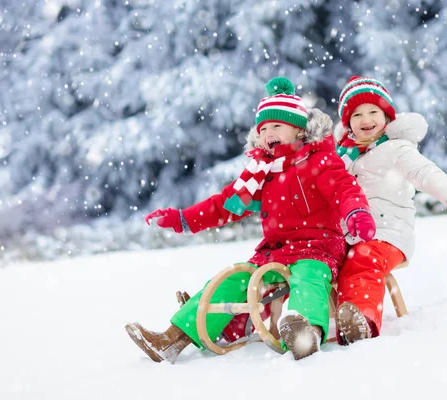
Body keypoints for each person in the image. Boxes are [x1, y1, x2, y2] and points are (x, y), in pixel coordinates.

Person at [125, 76, 377, 362]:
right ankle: (172, 339)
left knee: (308, 278)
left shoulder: (319, 160)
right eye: (264, 127)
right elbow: (223, 206)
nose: (269, 132)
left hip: (317, 248)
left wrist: (356, 211)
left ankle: (306, 332)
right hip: (275, 253)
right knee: (235, 279)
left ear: (298, 130)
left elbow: (344, 187)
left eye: (277, 126)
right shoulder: (260, 173)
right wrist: (183, 219)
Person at [333, 76, 447, 344]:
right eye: (356, 114)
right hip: (348, 233)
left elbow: (424, 172)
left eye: (373, 111)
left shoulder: (396, 149)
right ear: (347, 122)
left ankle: (361, 320)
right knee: (317, 260)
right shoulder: (342, 157)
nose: (365, 119)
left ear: (387, 116)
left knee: (363, 258)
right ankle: (311, 322)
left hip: (389, 232)